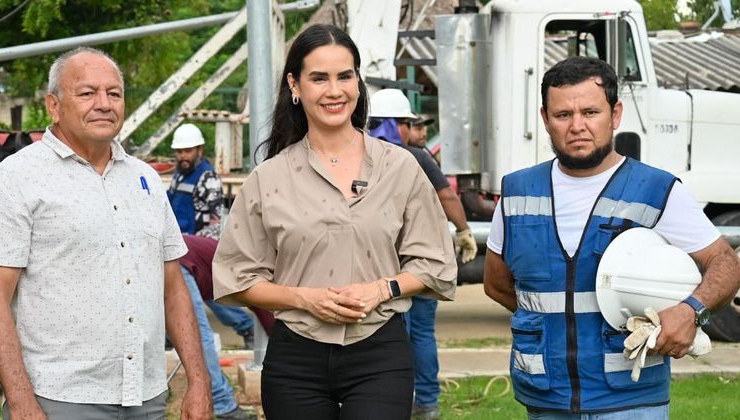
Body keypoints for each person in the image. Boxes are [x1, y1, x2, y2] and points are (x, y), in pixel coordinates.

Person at [211, 24, 457, 420]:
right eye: (319, 78)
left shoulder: (400, 167)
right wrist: (304, 299)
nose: (334, 90)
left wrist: (381, 289)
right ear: (295, 85)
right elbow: (236, 278)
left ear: (358, 82)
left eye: (344, 76)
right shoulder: (269, 178)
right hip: (295, 359)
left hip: (380, 352)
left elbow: (436, 264)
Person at [483, 56, 740, 419]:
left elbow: (726, 264)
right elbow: (496, 284)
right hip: (546, 398)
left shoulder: (656, 189)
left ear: (615, 114)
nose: (577, 126)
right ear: (545, 119)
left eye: (590, 112)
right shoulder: (517, 192)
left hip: (631, 399)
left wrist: (690, 311)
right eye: (563, 115)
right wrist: (552, 326)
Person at [0, 47, 211, 420]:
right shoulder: (16, 179)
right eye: (87, 93)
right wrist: (21, 403)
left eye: (114, 93)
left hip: (146, 396)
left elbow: (173, 288)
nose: (104, 104)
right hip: (59, 399)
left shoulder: (145, 179)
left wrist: (199, 380)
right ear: (54, 106)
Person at [369, 88, 474, 420]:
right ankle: (426, 402)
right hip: (421, 262)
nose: (409, 130)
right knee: (421, 333)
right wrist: (464, 230)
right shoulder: (415, 156)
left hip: (382, 264)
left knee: (392, 333)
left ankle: (394, 401)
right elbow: (447, 196)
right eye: (406, 123)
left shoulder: (358, 155)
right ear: (396, 124)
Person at [167, 124, 256, 349]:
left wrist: (195, 254)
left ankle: (247, 327)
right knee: (198, 294)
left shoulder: (207, 178)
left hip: (195, 250)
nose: (183, 156)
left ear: (199, 150)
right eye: (179, 151)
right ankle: (170, 335)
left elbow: (213, 221)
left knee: (209, 296)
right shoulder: (179, 176)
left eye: (187, 151)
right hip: (178, 247)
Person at [180, 235, 271, 420]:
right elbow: (270, 320)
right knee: (196, 334)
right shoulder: (255, 273)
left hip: (191, 266)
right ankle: (223, 405)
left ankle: (247, 329)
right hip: (179, 263)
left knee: (220, 301)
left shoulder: (236, 269)